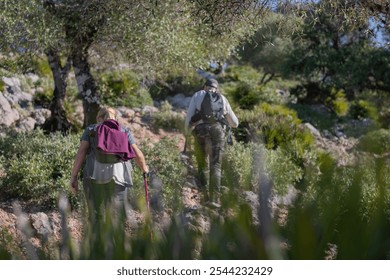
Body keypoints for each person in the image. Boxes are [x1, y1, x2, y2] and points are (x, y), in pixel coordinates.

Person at [70, 106, 148, 228]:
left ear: (98, 118)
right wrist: (144, 169)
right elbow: (137, 154)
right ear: (115, 118)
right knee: (117, 217)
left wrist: (74, 176)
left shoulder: (91, 129)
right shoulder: (124, 131)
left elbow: (82, 152)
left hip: (94, 178)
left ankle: (97, 244)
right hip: (119, 179)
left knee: (95, 216)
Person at [185, 78, 238, 206]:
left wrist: (187, 132)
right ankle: (215, 200)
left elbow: (189, 117)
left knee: (202, 164)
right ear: (216, 88)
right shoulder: (223, 99)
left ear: (205, 87)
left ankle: (205, 197)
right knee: (216, 165)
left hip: (201, 131)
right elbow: (235, 123)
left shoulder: (198, 95)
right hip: (217, 132)